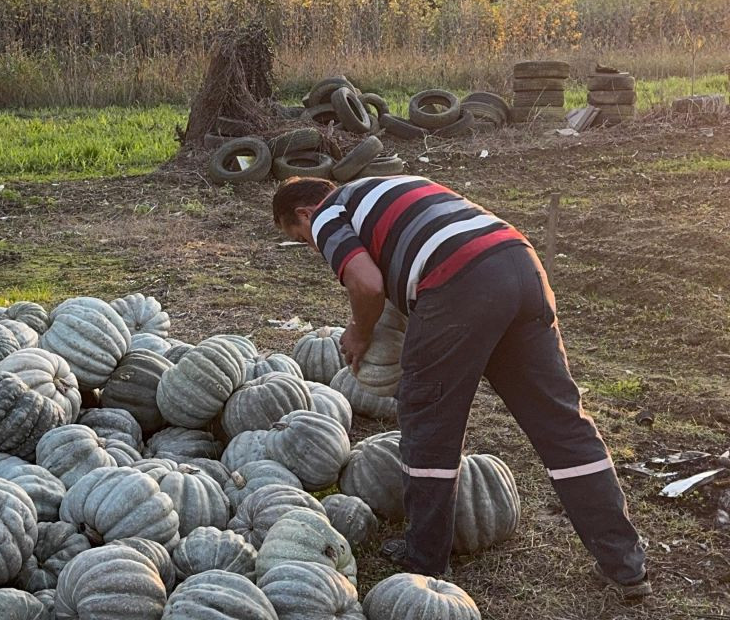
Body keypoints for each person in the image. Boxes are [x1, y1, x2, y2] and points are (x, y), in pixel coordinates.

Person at [272, 174, 650, 601]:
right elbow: (413, 256)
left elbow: (367, 283)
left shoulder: (327, 212)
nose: (311, 245)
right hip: (521, 266)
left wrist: (360, 332)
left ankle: (425, 561)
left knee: (428, 422)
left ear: (303, 213)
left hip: (459, 280)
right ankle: (625, 564)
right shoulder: (391, 185)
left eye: (300, 237)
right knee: (563, 425)